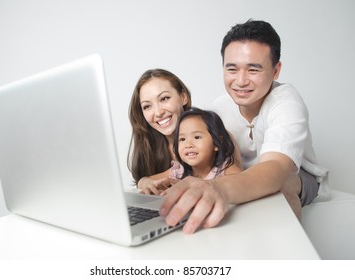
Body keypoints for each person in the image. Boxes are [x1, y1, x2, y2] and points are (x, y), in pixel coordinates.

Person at [159, 19, 329, 234]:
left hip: (297, 178)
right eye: (232, 69)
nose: (240, 81)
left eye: (253, 70)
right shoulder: (219, 107)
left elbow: (275, 169)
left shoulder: (287, 101)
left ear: (276, 71)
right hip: (241, 175)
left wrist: (218, 187)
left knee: (279, 185)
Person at [127, 68, 192, 195]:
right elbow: (142, 181)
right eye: (147, 106)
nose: (158, 112)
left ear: (183, 97)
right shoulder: (150, 145)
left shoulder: (211, 132)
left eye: (164, 99)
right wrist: (145, 182)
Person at [169, 107, 241, 182]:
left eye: (197, 137)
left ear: (216, 142)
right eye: (182, 139)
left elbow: (242, 185)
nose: (188, 145)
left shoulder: (226, 170)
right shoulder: (179, 171)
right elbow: (155, 181)